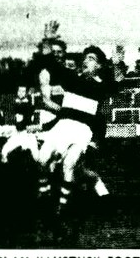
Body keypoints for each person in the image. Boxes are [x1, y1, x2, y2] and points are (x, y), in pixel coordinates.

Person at [36, 45, 124, 215]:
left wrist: (117, 64)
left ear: (98, 66)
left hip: (82, 130)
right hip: (62, 126)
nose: (85, 61)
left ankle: (62, 207)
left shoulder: (102, 86)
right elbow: (52, 65)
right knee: (41, 159)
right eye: (85, 58)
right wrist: (48, 42)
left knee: (69, 164)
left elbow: (117, 82)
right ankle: (45, 195)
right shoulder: (71, 78)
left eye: (91, 59)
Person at [0, 85, 39, 164]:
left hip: (27, 132)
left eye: (23, 91)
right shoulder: (12, 103)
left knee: (36, 153)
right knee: (5, 150)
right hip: (16, 132)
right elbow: (6, 115)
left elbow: (32, 118)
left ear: (26, 93)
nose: (21, 93)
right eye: (19, 91)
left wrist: (25, 119)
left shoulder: (29, 104)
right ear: (17, 92)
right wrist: (14, 118)